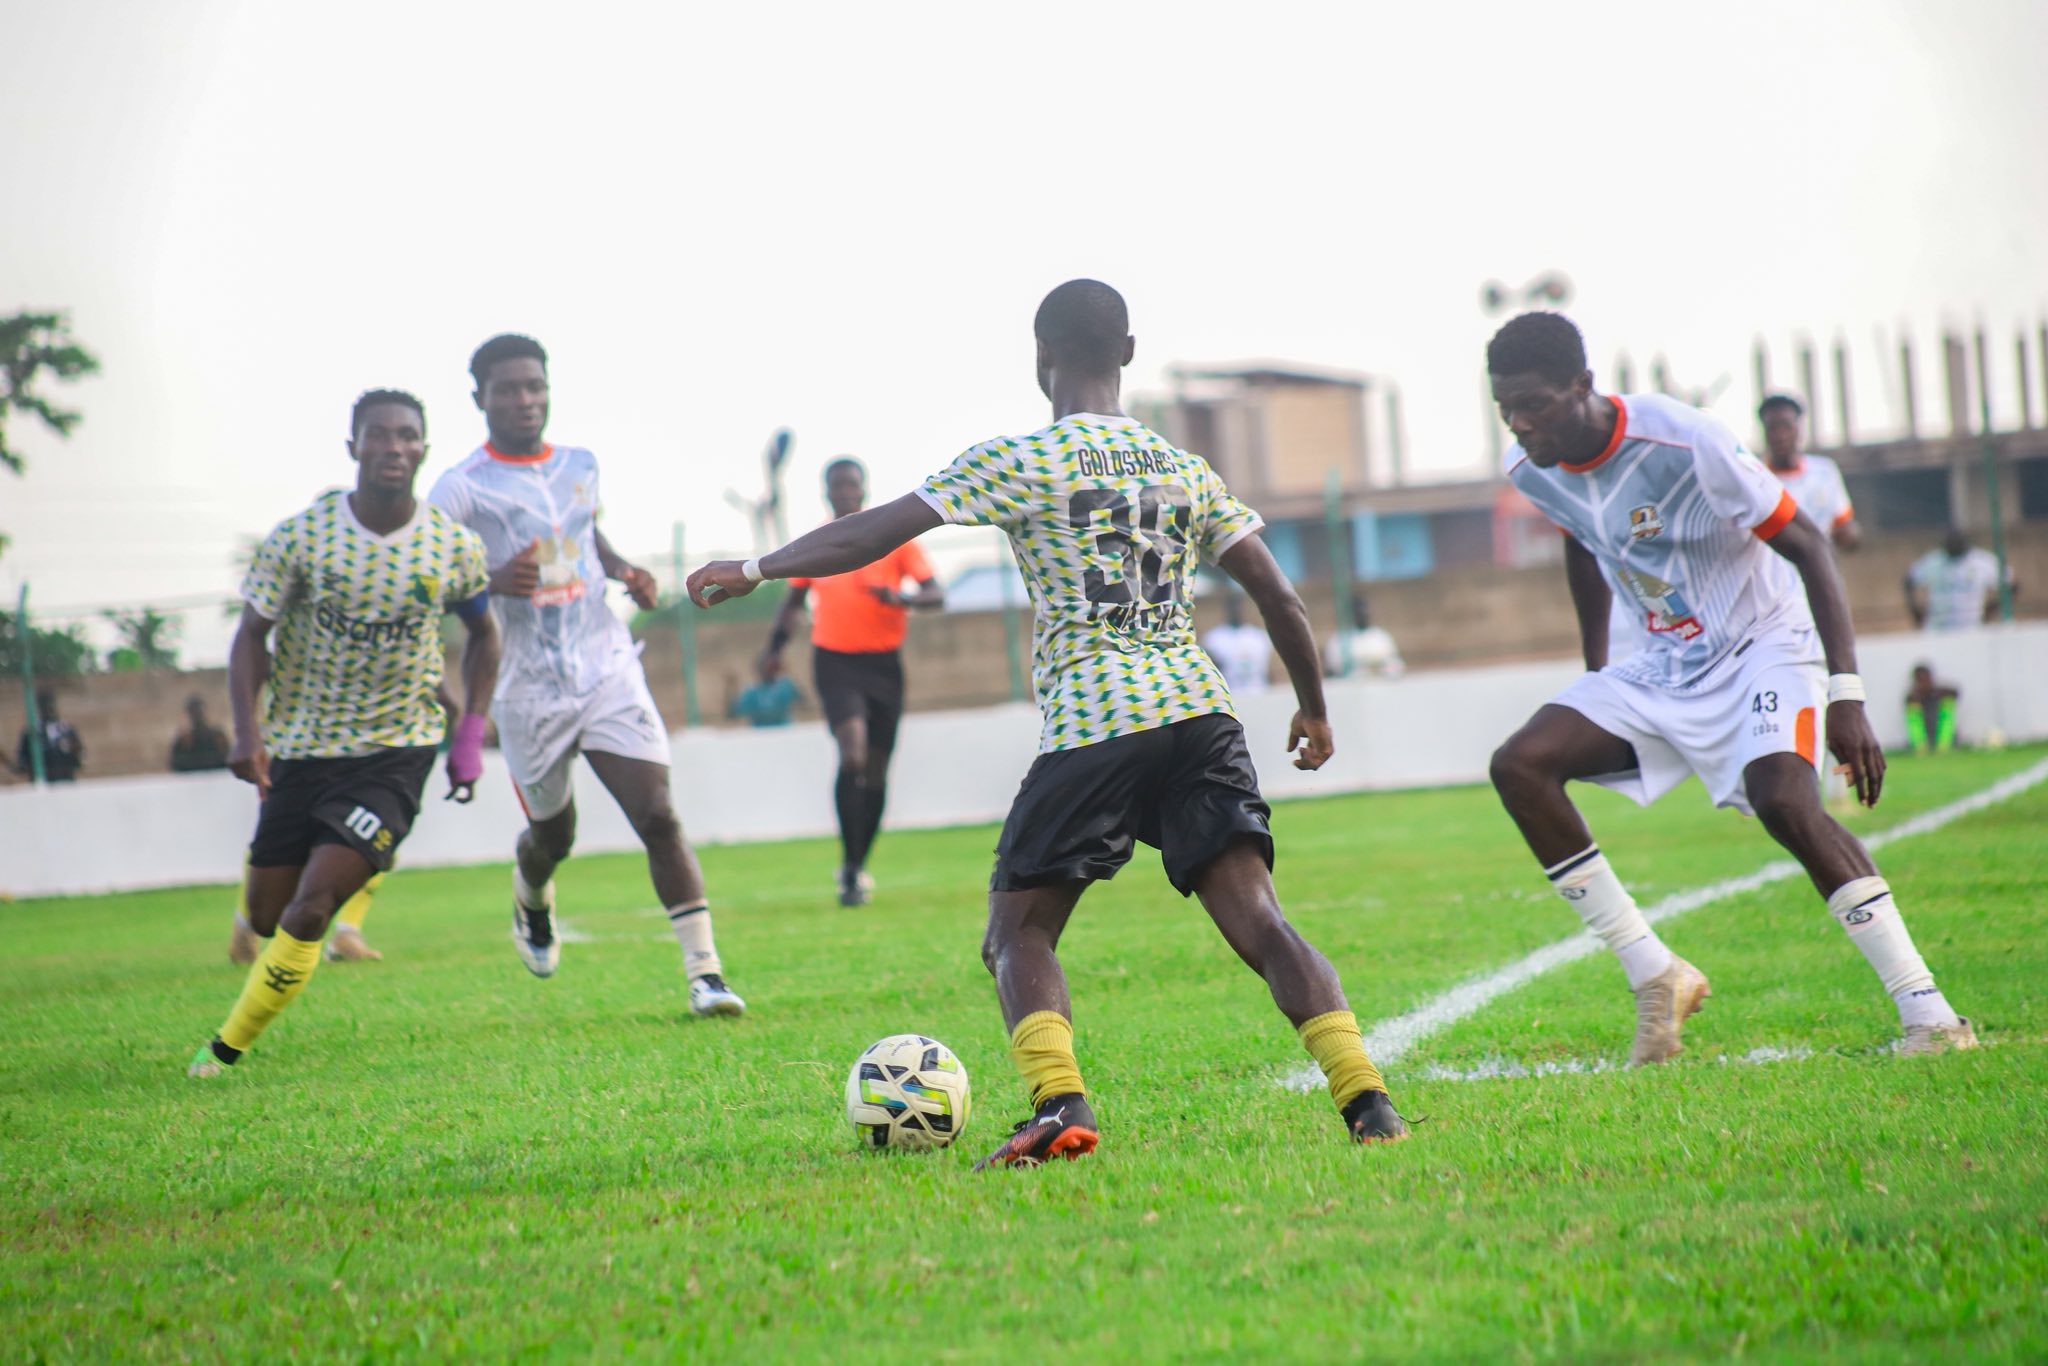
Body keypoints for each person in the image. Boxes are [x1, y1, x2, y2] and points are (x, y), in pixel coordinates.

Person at [690, 279, 1407, 1165]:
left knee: (1019, 932)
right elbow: (1280, 596)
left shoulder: (1024, 459)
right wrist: (1313, 706)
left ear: (1041, 359)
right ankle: (1367, 1100)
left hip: (1096, 721)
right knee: (1261, 920)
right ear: (1130, 353)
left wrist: (758, 565)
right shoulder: (1182, 468)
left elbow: (874, 531)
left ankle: (1058, 1104)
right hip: (1198, 714)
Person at [1483, 312, 1974, 1065]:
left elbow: (1810, 546)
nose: (1519, 425)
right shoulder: (1532, 471)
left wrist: (1846, 693)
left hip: (1763, 646)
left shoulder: (1687, 440)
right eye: (1504, 408)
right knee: (1520, 765)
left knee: (1784, 802)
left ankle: (1930, 1014)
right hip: (1662, 664)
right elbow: (1581, 542)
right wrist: (1596, 669)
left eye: (1533, 405)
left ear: (1583, 387)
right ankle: (1656, 974)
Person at [427, 333, 743, 1017]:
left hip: (605, 665)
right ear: (479, 396)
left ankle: (706, 973)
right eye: (509, 389)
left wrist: (624, 568)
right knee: (553, 837)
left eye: (535, 386)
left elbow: (582, 533)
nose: (525, 400)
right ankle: (531, 892)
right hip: (527, 687)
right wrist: (487, 578)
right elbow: (422, 573)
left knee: (657, 815)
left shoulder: (581, 463)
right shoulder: (458, 487)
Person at [188, 389, 499, 1078]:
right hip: (301, 750)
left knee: (313, 905)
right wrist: (247, 732)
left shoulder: (451, 545)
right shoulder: (302, 538)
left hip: (396, 754)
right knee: (266, 913)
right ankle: (260, 941)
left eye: (407, 436)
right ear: (353, 446)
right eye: (379, 435)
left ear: (423, 447)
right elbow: (249, 640)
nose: (394, 447)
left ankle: (223, 1050)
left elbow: (484, 634)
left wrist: (469, 735)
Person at [758, 458, 943, 907]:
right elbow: (793, 601)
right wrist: (774, 649)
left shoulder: (893, 540)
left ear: (863, 489)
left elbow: (936, 594)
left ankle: (855, 866)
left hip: (884, 667)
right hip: (835, 662)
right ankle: (850, 864)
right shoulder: (819, 544)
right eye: (836, 486)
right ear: (826, 492)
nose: (844, 492)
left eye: (851, 485)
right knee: (853, 753)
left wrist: (899, 597)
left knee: (877, 771)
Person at [1757, 394, 1860, 550]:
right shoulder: (1757, 478)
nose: (1780, 436)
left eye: (1786, 426)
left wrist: (1850, 535)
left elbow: (1844, 523)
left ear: (1798, 429)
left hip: (1819, 569)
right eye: (1773, 428)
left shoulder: (1824, 472)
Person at [1906, 529, 2012, 631]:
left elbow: (2011, 585)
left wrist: (1991, 611)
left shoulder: (1982, 561)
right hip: (1937, 631)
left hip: (1970, 630)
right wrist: (1916, 613)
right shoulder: (1934, 561)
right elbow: (1908, 580)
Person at [1201, 592, 1273, 695]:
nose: (1236, 609)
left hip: (1259, 693)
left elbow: (1269, 672)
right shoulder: (1214, 638)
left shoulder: (1259, 636)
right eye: (1232, 605)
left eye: (1239, 605)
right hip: (1230, 695)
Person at [1324, 592, 1405, 679]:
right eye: (1359, 611)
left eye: (1365, 609)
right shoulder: (1338, 640)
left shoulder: (1381, 637)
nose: (1363, 613)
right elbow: (1333, 669)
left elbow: (1395, 663)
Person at [13, 689, 84, 782]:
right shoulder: (31, 733)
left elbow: (79, 760)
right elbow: (22, 762)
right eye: (45, 706)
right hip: (42, 786)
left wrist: (75, 752)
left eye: (51, 705)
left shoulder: (67, 730)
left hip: (66, 783)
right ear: (39, 708)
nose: (49, 709)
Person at [730, 654, 801, 727]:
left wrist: (788, 673)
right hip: (762, 734)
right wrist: (731, 688)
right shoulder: (751, 693)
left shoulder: (785, 686)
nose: (769, 671)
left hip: (784, 731)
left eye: (772, 668)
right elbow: (733, 714)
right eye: (767, 668)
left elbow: (803, 704)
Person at [1904, 663, 1960, 755]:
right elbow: (1910, 701)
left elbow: (1955, 692)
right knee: (1912, 708)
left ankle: (1944, 746)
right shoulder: (1913, 697)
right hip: (1924, 735)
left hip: (1940, 734)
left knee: (1948, 703)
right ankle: (1920, 747)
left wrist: (1934, 691)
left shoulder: (1939, 692)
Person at [169, 695, 231, 772]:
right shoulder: (184, 739)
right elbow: (175, 766)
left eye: (199, 711)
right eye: (193, 711)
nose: (197, 715)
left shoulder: (217, 736)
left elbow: (229, 760)